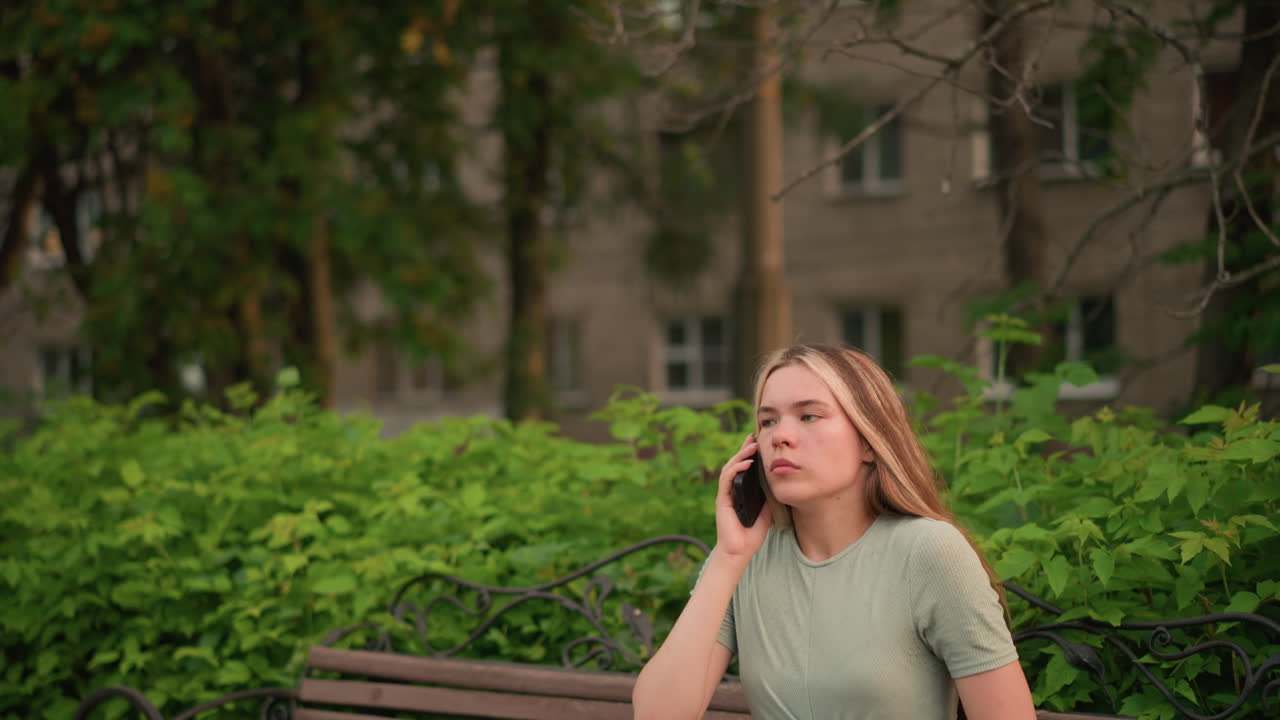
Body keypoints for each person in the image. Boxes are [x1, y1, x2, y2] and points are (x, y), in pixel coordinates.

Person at [632, 344, 1036, 720]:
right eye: (767, 421)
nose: (780, 436)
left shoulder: (928, 552)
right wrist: (728, 558)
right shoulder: (744, 560)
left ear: (869, 441)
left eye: (809, 415)